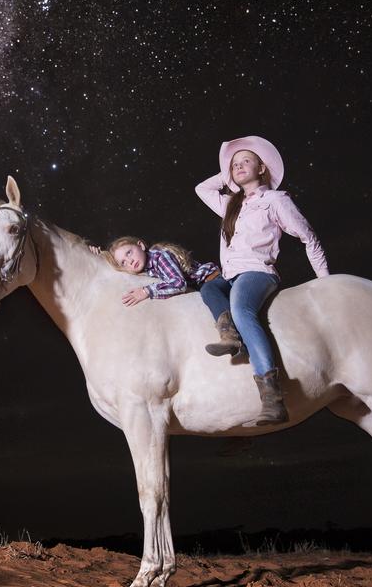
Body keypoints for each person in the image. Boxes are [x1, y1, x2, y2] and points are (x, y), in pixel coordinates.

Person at [195, 135, 329, 426]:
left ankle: (272, 397)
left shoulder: (276, 200)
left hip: (258, 272)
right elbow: (201, 188)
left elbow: (309, 237)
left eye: (246, 161)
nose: (239, 166)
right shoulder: (231, 205)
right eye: (235, 164)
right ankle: (230, 336)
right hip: (230, 275)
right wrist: (228, 174)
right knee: (209, 288)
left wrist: (326, 282)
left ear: (262, 169)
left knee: (242, 308)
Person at [90, 237, 220, 306]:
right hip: (196, 289)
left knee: (209, 293)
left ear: (140, 245)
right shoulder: (146, 272)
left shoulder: (160, 256)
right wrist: (96, 256)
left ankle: (230, 334)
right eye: (123, 262)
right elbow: (113, 268)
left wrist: (146, 291)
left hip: (210, 280)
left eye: (129, 253)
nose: (129, 261)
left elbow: (178, 283)